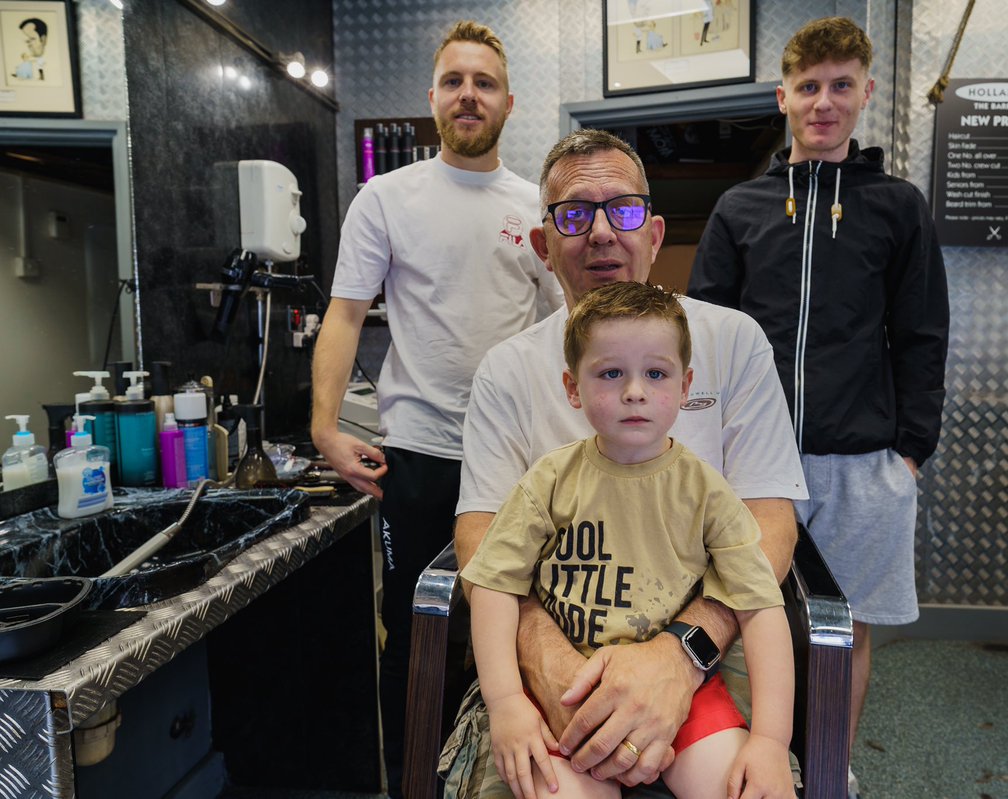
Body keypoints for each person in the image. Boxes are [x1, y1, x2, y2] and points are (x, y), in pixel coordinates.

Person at [446, 128, 807, 799]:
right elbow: (482, 544)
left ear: (655, 232)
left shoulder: (733, 341)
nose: (604, 232)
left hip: (706, 646)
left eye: (626, 210)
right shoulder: (509, 373)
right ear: (542, 245)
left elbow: (769, 529)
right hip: (552, 644)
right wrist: (539, 669)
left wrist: (682, 654)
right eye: (575, 214)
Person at [687, 16, 950, 796]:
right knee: (740, 617)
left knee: (843, 631)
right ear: (783, 97)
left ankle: (829, 759)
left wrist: (910, 450)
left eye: (841, 86)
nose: (824, 102)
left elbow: (922, 331)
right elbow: (702, 330)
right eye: (809, 87)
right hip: (751, 464)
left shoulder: (896, 206)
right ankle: (756, 757)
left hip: (860, 461)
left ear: (865, 92)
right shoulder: (740, 207)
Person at [309, 20, 562, 797]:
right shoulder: (386, 198)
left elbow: (565, 329)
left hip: (519, 459)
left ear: (509, 102)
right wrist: (324, 427)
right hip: (418, 450)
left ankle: (505, 772)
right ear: (432, 99)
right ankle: (417, 779)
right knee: (420, 632)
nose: (468, 95)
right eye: (454, 81)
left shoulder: (537, 206)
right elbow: (345, 314)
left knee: (525, 623)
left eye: (484, 83)